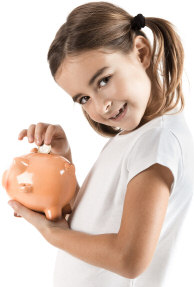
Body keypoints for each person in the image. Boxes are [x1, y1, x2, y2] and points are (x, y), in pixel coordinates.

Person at [8, 2, 194, 287]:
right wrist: (64, 161)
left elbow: (129, 259)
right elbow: (95, 223)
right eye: (83, 99)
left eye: (104, 80)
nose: (101, 106)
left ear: (141, 52)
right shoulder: (136, 136)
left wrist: (50, 232)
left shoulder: (157, 142)